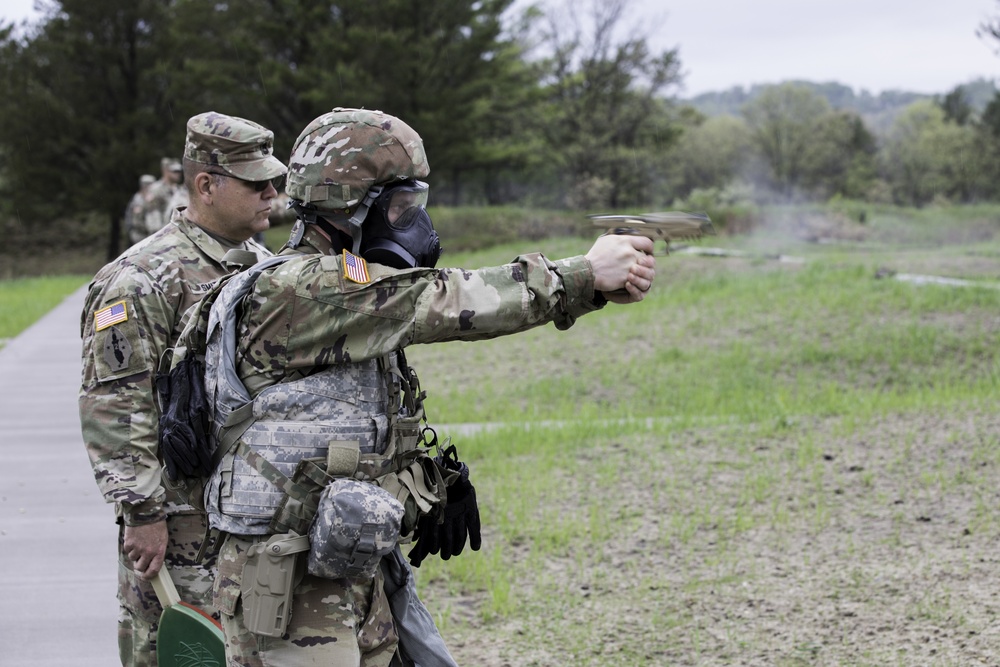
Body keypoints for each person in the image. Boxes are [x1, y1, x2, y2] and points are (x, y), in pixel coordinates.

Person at [197, 107, 656, 667]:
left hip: (344, 566)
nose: (414, 225)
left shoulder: (343, 291)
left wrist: (426, 484)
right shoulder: (304, 289)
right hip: (287, 586)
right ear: (346, 206)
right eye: (399, 208)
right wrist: (579, 275)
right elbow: (446, 300)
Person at [79, 111, 287, 666]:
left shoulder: (264, 268)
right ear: (206, 185)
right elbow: (116, 406)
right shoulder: (143, 279)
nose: (273, 193)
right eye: (257, 184)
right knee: (175, 653)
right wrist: (142, 514)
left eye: (274, 181)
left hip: (253, 521)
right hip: (180, 528)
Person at [141, 157, 184, 238]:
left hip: (177, 236)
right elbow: (152, 215)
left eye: (179, 171)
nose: (178, 174)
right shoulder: (156, 190)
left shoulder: (179, 190)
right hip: (161, 236)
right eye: (174, 171)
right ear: (165, 171)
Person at [125, 174, 156, 245]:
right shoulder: (137, 199)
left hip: (151, 233)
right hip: (139, 234)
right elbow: (134, 219)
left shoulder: (152, 198)